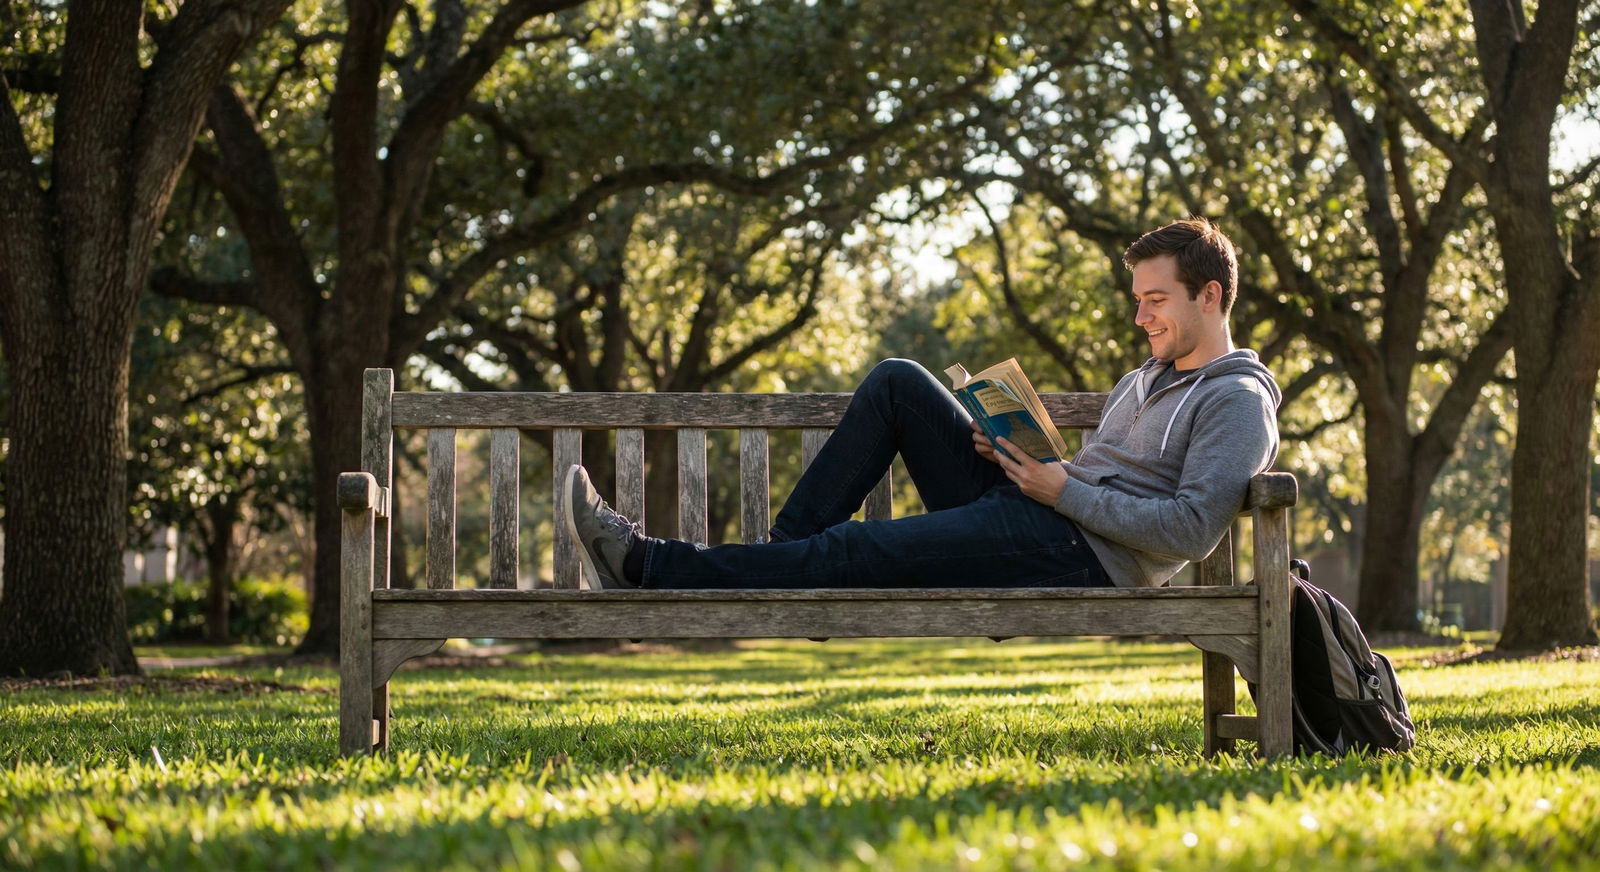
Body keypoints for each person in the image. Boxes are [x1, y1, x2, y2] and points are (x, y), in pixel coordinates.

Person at [562, 217, 1280, 591]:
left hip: (1081, 554)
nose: (1141, 317)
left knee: (851, 547)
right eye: (1138, 301)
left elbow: (1189, 531)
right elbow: (1097, 476)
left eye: (1156, 301)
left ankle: (646, 564)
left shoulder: (1239, 401)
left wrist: (1061, 490)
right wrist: (1024, 455)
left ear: (1209, 295)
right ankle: (775, 565)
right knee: (900, 381)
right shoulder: (1146, 374)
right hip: (1043, 510)